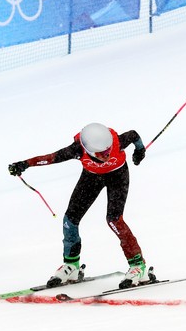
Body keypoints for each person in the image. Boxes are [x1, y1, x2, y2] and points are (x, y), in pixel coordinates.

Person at [8, 122, 151, 289]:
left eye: (108, 150)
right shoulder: (77, 149)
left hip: (117, 176)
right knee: (70, 220)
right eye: (102, 153)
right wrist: (24, 164)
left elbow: (134, 135)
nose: (107, 154)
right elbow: (51, 158)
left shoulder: (117, 141)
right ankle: (71, 265)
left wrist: (140, 150)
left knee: (114, 220)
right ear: (89, 151)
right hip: (91, 177)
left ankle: (138, 266)